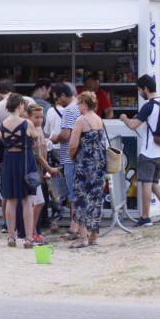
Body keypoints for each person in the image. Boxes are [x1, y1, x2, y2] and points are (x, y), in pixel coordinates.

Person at [120, 74, 160, 226]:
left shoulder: (149, 106)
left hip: (149, 152)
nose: (140, 93)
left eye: (140, 89)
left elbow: (133, 125)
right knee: (154, 183)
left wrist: (124, 118)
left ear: (145, 88)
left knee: (146, 184)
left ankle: (145, 217)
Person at [0, 94, 37, 249]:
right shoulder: (27, 123)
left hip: (9, 160)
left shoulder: (2, 124)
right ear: (20, 105)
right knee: (27, 200)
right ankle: (28, 238)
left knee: (10, 200)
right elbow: (35, 138)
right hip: (25, 161)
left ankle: (11, 237)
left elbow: (2, 143)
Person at [69, 92, 107, 247]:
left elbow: (73, 145)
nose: (78, 107)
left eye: (79, 104)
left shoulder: (81, 120)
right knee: (96, 199)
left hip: (84, 163)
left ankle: (82, 236)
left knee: (82, 199)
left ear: (84, 104)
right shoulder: (99, 119)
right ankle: (94, 236)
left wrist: (73, 158)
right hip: (99, 163)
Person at [50, 83, 82, 241]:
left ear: (63, 95)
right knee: (76, 193)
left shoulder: (69, 110)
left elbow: (64, 135)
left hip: (70, 157)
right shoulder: (79, 107)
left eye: (57, 98)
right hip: (79, 157)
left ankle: (74, 228)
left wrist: (54, 137)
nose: (57, 102)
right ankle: (77, 227)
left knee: (72, 194)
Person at [28, 103, 60, 242]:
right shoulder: (31, 130)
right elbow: (37, 155)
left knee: (39, 202)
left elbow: (42, 151)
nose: (39, 120)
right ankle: (32, 230)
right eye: (36, 117)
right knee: (37, 202)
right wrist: (49, 168)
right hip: (33, 170)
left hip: (40, 171)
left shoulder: (39, 128)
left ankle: (34, 230)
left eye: (41, 117)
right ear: (29, 116)